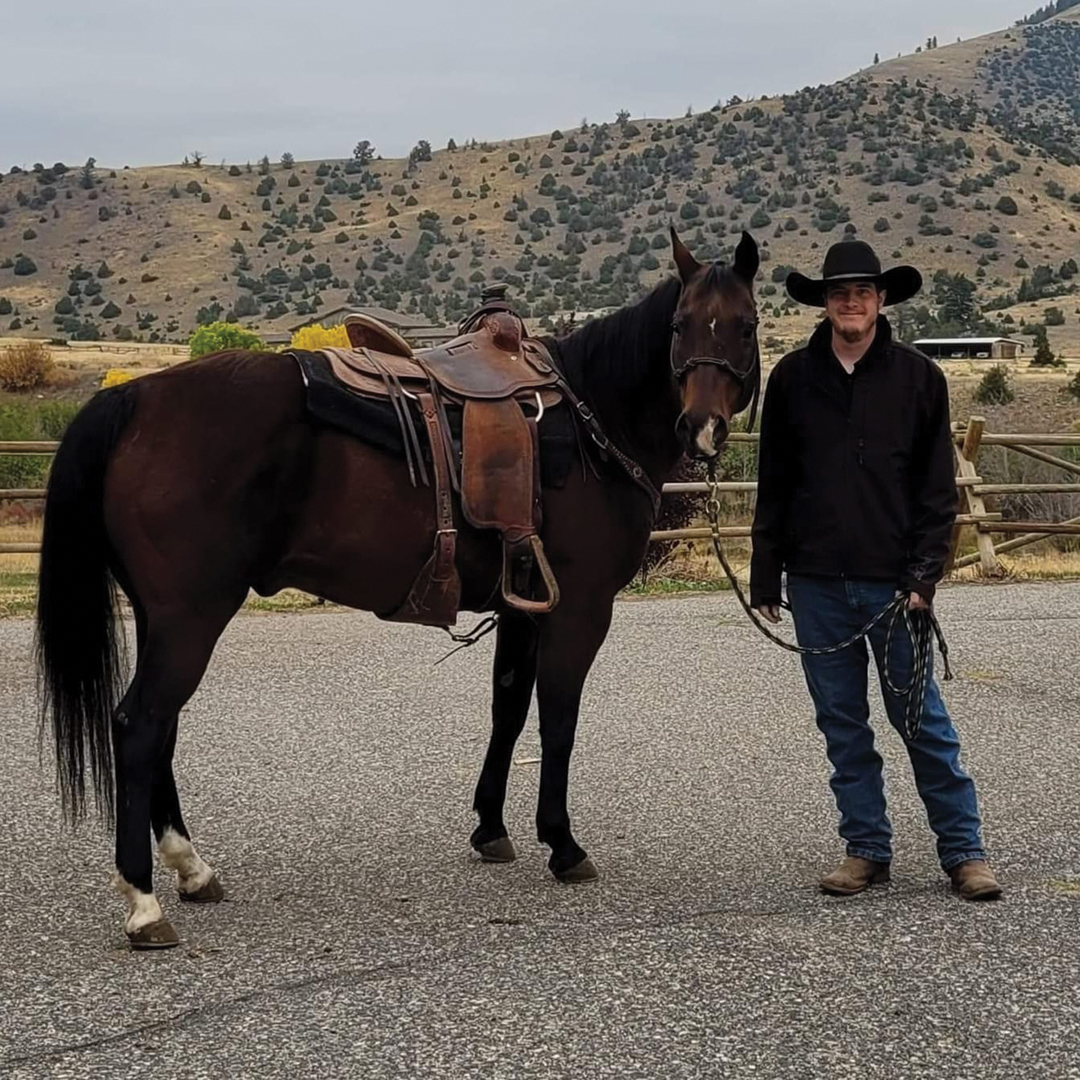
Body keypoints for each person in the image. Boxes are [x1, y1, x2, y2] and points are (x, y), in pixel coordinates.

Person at [750, 239, 1001, 901]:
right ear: (825, 304)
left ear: (881, 300)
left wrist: (924, 579)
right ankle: (866, 848)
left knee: (922, 722)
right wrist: (762, 574)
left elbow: (936, 492)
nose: (851, 302)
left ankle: (963, 851)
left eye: (862, 292)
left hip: (894, 586)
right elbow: (772, 481)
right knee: (842, 724)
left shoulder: (920, 379)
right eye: (839, 293)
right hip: (814, 581)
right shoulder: (792, 380)